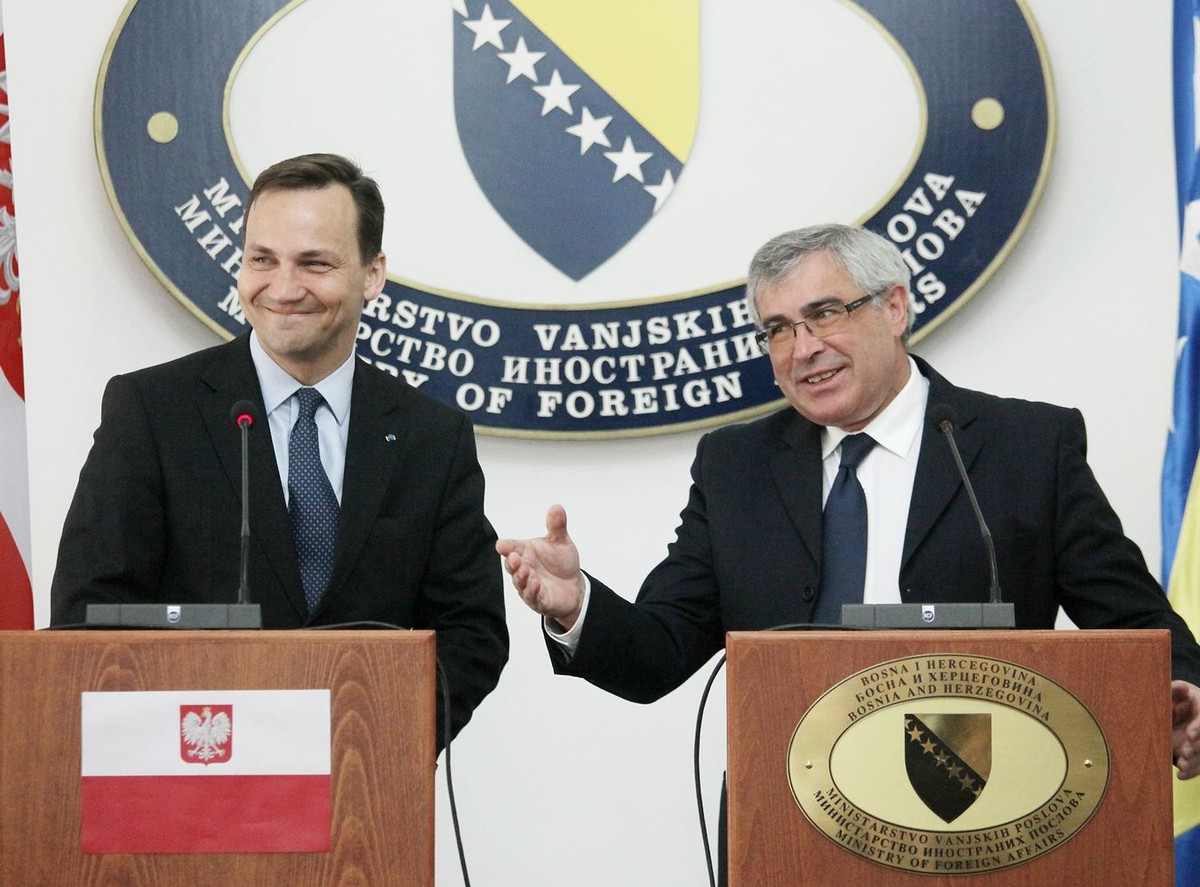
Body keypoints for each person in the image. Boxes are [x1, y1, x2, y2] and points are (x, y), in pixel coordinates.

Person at [497, 223, 1200, 780]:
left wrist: (1185, 692)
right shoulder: (737, 466)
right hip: (789, 809)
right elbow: (658, 652)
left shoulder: (1025, 446)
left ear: (893, 308)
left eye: (824, 314)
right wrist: (577, 604)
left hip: (985, 799)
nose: (802, 348)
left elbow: (1135, 622)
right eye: (778, 328)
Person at [51, 153, 508, 749]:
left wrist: (382, 742)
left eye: (314, 263)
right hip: (194, 770)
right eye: (262, 260)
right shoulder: (152, 411)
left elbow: (471, 630)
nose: (284, 289)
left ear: (372, 275)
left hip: (362, 776)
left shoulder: (431, 437)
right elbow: (89, 611)